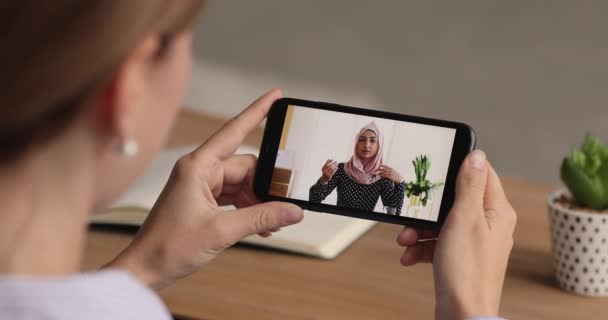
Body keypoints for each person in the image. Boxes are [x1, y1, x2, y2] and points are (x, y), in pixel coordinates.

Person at [0, 1, 516, 320]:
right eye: (184, 44)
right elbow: (319, 199)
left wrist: (139, 269)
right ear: (127, 90)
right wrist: (468, 308)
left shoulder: (385, 181)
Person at [309, 122, 406, 215]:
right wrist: (323, 180)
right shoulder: (341, 169)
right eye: (362, 140)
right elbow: (314, 201)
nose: (366, 145)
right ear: (356, 143)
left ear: (379, 146)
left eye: (372, 140)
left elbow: (393, 213)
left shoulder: (382, 176)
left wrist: (400, 183)